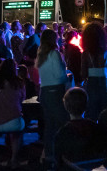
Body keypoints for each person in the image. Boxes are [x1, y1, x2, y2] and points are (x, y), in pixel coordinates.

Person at [37, 28, 68, 168]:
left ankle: (49, 154)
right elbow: (59, 75)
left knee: (49, 126)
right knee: (62, 123)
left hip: (45, 91)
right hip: (56, 92)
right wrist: (66, 73)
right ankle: (62, 154)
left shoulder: (41, 55)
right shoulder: (55, 54)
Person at [54, 87, 104, 168]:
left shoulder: (62, 133)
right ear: (86, 104)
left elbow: (58, 161)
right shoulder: (95, 128)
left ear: (65, 106)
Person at [80, 21, 107, 121]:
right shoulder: (106, 52)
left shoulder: (85, 54)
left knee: (91, 112)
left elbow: (83, 73)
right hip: (105, 83)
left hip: (91, 84)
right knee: (106, 112)